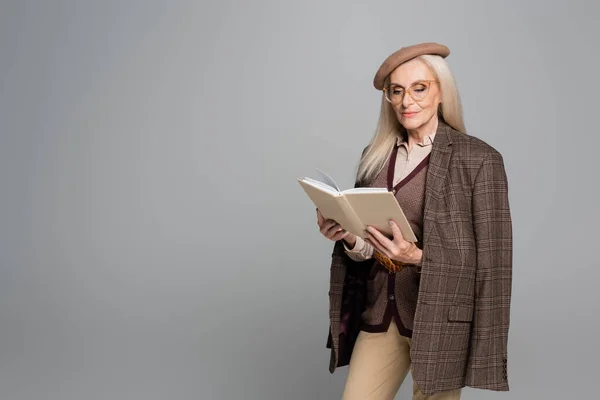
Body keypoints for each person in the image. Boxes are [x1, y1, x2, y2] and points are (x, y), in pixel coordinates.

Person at [316, 42, 513, 399]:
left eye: (419, 88)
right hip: (381, 314)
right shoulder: (374, 157)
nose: (408, 101)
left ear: (441, 91)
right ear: (389, 99)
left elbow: (493, 266)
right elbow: (369, 246)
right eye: (397, 91)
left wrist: (419, 257)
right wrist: (347, 236)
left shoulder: (479, 160)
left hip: (441, 318)